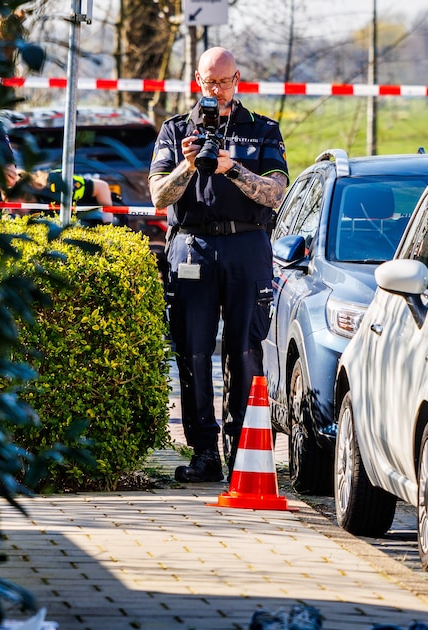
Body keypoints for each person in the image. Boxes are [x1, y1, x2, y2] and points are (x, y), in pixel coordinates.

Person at [148, 47, 289, 482]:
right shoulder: (176, 130)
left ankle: (242, 450)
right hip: (192, 245)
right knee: (192, 349)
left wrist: (232, 169)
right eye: (210, 82)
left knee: (244, 349)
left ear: (237, 79)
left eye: (225, 81)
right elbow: (158, 196)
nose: (217, 90)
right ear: (197, 80)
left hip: (246, 245)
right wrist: (188, 166)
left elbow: (276, 194)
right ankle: (204, 452)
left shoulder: (262, 129)